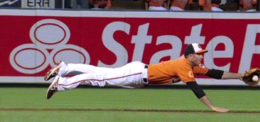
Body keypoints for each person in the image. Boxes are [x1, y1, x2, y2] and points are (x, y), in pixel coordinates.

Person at [45, 43, 248, 113]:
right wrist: (212, 107)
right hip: (138, 74)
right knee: (100, 78)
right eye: (198, 53)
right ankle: (61, 82)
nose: (201, 56)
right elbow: (195, 88)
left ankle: (64, 68)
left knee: (101, 74)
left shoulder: (192, 66)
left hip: (139, 75)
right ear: (189, 55)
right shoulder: (184, 65)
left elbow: (215, 73)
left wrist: (241, 76)